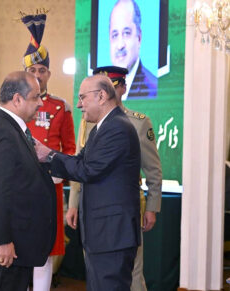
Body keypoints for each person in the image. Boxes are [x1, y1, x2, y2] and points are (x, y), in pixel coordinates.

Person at [35, 74, 141, 291]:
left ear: (101, 96)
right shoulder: (102, 127)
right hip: (104, 234)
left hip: (112, 236)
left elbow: (88, 170)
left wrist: (49, 155)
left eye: (83, 97)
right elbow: (81, 162)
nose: (78, 104)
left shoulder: (116, 128)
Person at [67, 66, 162, 291]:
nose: (110, 91)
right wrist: (73, 204)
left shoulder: (138, 122)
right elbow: (81, 165)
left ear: (122, 88)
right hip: (93, 207)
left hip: (125, 206)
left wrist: (152, 207)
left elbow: (153, 170)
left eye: (114, 86)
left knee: (132, 272)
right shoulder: (90, 122)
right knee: (98, 270)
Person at [0, 71, 57, 291]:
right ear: (17, 99)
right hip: (8, 247)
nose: (40, 103)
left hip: (18, 242)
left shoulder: (11, 128)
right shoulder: (1, 130)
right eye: (36, 97)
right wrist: (1, 241)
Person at [21, 12, 76, 290]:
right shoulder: (15, 106)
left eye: (42, 70)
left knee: (45, 250)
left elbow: (70, 149)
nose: (38, 75)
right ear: (25, 73)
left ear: (49, 73)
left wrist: (57, 174)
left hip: (49, 187)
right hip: (20, 186)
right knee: (18, 247)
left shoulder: (61, 107)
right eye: (32, 71)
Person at [109, 0, 157, 99]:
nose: (120, 45)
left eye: (126, 33)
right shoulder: (101, 90)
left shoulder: (153, 88)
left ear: (139, 37)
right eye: (115, 35)